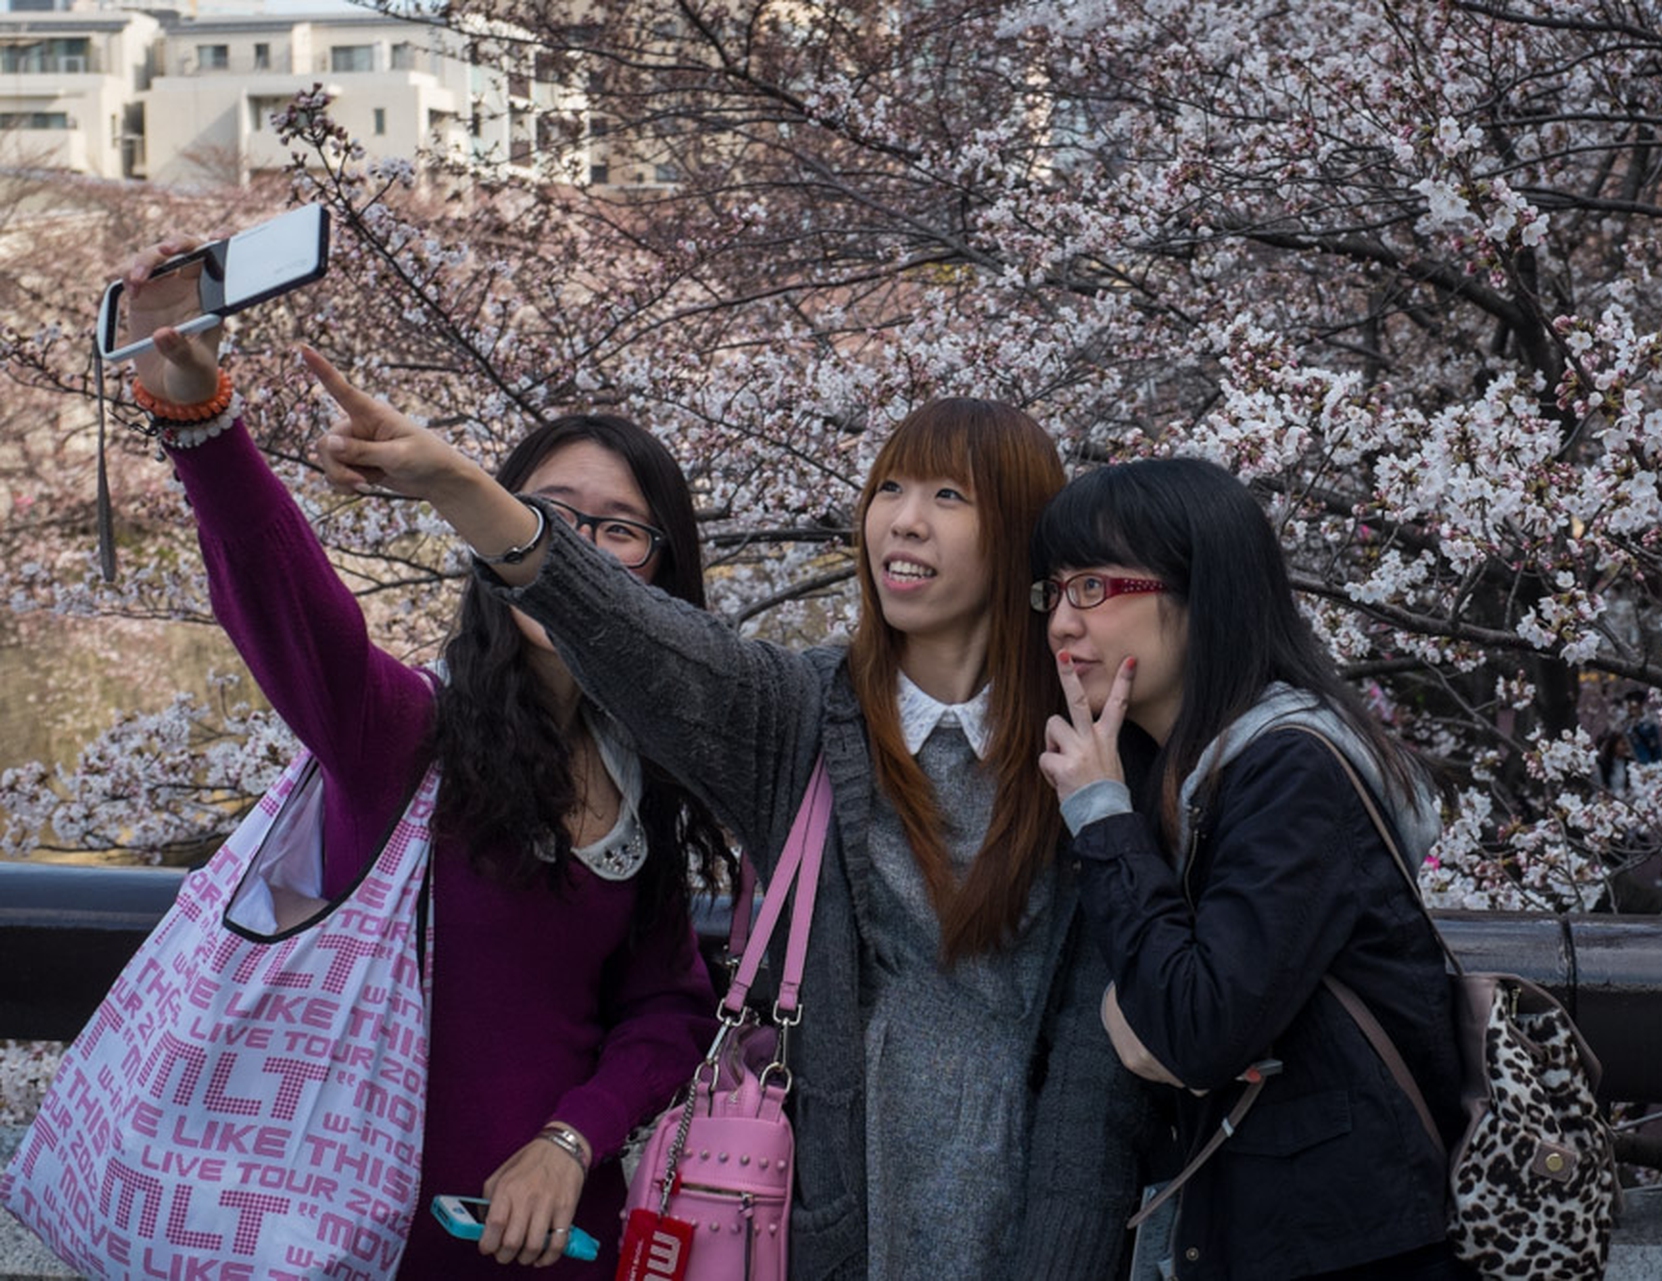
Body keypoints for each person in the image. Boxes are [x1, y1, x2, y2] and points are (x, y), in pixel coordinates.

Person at [304, 379, 1151, 1279]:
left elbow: (1101, 1057)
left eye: (950, 496)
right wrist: (456, 484)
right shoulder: (798, 715)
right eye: (892, 489)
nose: (905, 521)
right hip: (825, 1222)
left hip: (1030, 1214)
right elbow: (631, 630)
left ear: (1021, 533)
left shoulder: (1089, 746)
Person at [114, 237, 726, 1277]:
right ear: (495, 540)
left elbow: (663, 1005)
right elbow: (291, 608)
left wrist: (571, 1138)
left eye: (618, 529)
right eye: (548, 517)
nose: (576, 546)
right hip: (366, 1241)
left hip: (560, 1243)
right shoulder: (404, 736)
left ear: (663, 568)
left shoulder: (648, 770)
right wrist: (201, 421)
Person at [1033, 458, 1469, 1280]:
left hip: (1347, 1245)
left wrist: (1099, 812)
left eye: (1091, 587)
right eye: (1052, 591)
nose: (1061, 621)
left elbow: (1201, 1026)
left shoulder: (1289, 769)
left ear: (1203, 592)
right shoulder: (1183, 773)